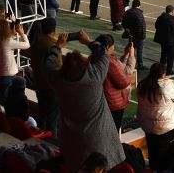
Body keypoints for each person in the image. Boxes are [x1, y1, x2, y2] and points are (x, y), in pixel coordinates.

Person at [44, 33, 125, 171]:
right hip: (98, 140)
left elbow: (47, 64)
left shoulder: (58, 80)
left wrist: (57, 46)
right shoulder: (94, 77)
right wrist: (87, 41)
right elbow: (103, 53)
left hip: (71, 139)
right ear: (84, 67)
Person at [97, 34, 136, 132]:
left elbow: (120, 68)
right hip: (114, 102)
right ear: (107, 47)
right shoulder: (109, 61)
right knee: (112, 129)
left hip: (104, 99)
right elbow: (125, 77)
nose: (114, 47)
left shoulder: (97, 57)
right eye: (112, 45)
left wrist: (126, 54)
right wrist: (131, 55)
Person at [0, 18, 30, 104]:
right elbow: (27, 45)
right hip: (9, 77)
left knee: (2, 99)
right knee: (8, 102)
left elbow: (6, 43)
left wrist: (12, 33)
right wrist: (22, 33)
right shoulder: (7, 41)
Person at [122, 0, 146, 69]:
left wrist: (127, 30)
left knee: (131, 49)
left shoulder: (128, 12)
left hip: (131, 34)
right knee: (139, 50)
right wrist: (143, 36)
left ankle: (130, 63)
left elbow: (124, 22)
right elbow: (142, 26)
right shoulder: (139, 14)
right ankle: (140, 64)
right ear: (139, 5)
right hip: (139, 35)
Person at [154, 5, 174, 75]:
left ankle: (161, 70)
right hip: (170, 41)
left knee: (163, 55)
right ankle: (169, 70)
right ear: (171, 11)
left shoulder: (160, 18)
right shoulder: (172, 19)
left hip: (162, 40)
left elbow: (156, 26)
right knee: (170, 57)